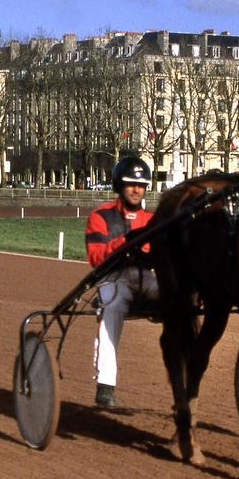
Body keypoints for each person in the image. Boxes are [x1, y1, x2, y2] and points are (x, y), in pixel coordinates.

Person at [85, 156, 158, 408]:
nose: (137, 189)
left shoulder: (153, 220)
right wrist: (124, 244)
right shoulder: (100, 216)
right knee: (113, 306)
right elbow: (95, 257)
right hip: (114, 277)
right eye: (131, 184)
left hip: (145, 278)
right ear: (119, 185)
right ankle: (105, 383)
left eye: (141, 185)